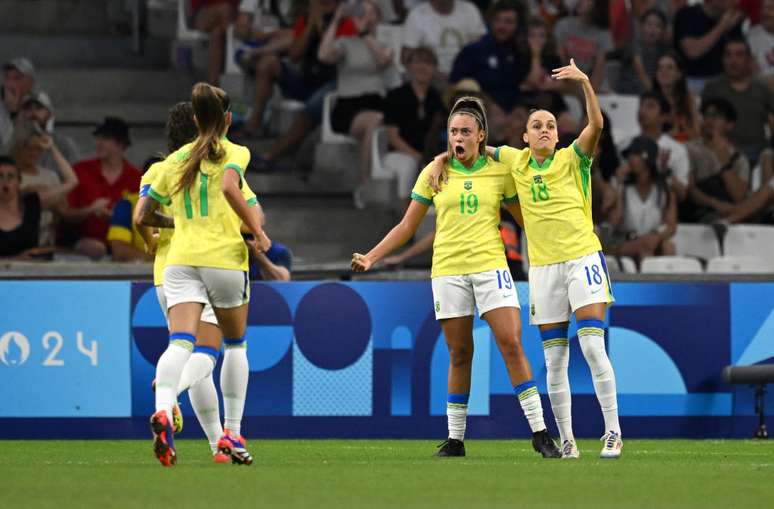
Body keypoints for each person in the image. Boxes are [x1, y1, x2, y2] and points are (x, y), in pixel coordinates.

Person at [430, 59, 623, 459]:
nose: (545, 130)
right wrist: (439, 159)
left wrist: (585, 82)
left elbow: (597, 126)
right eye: (537, 125)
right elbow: (468, 147)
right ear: (524, 136)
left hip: (582, 257)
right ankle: (567, 441)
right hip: (544, 268)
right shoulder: (513, 161)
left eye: (551, 125)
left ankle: (612, 432)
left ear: (558, 133)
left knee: (591, 348)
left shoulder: (574, 159)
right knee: (554, 358)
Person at [352, 96, 561, 459]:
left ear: (481, 135)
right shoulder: (435, 173)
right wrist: (372, 256)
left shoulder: (499, 170)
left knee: (511, 343)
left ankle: (540, 433)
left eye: (465, 131)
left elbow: (523, 219)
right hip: (448, 270)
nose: (457, 138)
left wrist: (557, 239)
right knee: (460, 352)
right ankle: (455, 439)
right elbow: (407, 226)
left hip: (491, 267)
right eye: (452, 132)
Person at [137, 83, 271, 467]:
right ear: (227, 119)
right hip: (223, 261)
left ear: (196, 120)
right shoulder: (233, 152)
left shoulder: (172, 161)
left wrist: (166, 228)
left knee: (179, 343)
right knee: (231, 347)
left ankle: (164, 407)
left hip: (177, 263)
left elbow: (142, 215)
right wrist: (257, 232)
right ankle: (231, 433)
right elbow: (234, 189)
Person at [242, 0, 356, 139]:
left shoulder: (346, 20)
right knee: (268, 63)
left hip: (329, 83)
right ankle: (255, 123)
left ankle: (274, 154)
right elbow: (295, 55)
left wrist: (320, 26)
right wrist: (311, 26)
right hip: (305, 78)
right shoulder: (307, 18)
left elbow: (328, 55)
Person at [318, 0, 393, 208]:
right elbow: (324, 55)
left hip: (377, 101)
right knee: (374, 121)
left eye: (371, 15)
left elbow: (383, 60)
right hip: (350, 105)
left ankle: (366, 183)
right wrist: (337, 19)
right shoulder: (345, 43)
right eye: (362, 14)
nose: (366, 19)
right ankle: (363, 184)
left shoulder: (384, 43)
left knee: (379, 118)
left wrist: (365, 35)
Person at [449, 0, 531, 142]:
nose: (502, 26)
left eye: (508, 22)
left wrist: (520, 107)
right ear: (490, 22)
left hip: (514, 111)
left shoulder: (521, 53)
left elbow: (526, 86)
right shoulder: (472, 51)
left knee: (524, 125)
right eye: (498, 20)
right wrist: (487, 105)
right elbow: (455, 87)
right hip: (482, 111)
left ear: (518, 25)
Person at [63, 117, 141, 260]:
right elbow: (66, 214)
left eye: (105, 138)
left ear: (120, 143)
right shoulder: (80, 171)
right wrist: (90, 210)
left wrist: (117, 217)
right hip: (84, 244)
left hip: (124, 245)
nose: (98, 143)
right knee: (95, 248)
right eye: (98, 138)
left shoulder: (137, 177)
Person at [382, 47, 444, 211]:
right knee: (408, 165)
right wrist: (416, 156)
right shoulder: (396, 96)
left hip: (428, 154)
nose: (422, 67)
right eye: (417, 62)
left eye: (428, 63)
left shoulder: (436, 98)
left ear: (434, 69)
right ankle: (405, 218)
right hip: (398, 153)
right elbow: (392, 136)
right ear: (408, 66)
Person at [702, 38, 774, 166]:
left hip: (758, 153)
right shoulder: (712, 88)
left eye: (739, 55)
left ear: (749, 60)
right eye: (728, 55)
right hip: (722, 152)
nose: (733, 61)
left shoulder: (763, 88)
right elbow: (703, 124)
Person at [9, 119, 79, 247]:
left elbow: (72, 182)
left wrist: (52, 147)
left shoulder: (50, 176)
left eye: (38, 149)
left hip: (45, 242)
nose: (34, 153)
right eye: (29, 148)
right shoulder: (8, 175)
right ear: (19, 147)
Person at [607, 135, 677, 264]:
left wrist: (657, 236)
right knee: (643, 248)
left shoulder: (664, 189)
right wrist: (618, 185)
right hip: (625, 241)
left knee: (668, 247)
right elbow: (614, 222)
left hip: (652, 240)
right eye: (630, 155)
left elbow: (671, 226)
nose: (631, 159)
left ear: (647, 158)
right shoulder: (622, 187)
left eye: (636, 154)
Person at [684, 98, 751, 223]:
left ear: (730, 125)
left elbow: (739, 197)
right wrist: (716, 204)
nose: (710, 120)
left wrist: (724, 159)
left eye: (717, 116)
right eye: (707, 115)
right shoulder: (689, 149)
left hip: (730, 214)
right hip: (698, 211)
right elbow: (690, 190)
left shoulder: (739, 159)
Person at [0, 155, 76, 259]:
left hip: (32, 272)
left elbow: (72, 181)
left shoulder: (32, 203)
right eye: (0, 176)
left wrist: (51, 147)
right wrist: (16, 258)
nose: (5, 181)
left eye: (10, 176)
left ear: (18, 182)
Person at [672, 0, 744, 93]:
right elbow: (693, 51)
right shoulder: (686, 14)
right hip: (691, 81)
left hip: (722, 79)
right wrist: (722, 27)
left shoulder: (732, 19)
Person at [401, 0, 487, 78]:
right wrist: (436, 75)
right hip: (431, 80)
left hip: (467, 77)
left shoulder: (470, 10)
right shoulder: (416, 15)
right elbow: (407, 57)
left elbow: (482, 50)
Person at [553, 0, 613, 91]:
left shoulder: (604, 34)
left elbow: (599, 70)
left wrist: (590, 92)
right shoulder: (563, 26)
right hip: (567, 82)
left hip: (592, 84)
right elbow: (559, 62)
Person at [19, 91, 80, 175]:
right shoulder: (15, 142)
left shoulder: (64, 143)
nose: (33, 113)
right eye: (28, 109)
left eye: (39, 108)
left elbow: (75, 174)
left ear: (49, 114)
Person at [190, 0, 240, 85]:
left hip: (231, 15)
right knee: (225, 9)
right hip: (203, 13)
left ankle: (213, 83)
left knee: (217, 34)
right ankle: (235, 52)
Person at [653, 51, 700, 142]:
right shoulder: (650, 100)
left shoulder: (688, 99)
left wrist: (682, 128)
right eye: (660, 67)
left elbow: (696, 133)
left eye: (669, 68)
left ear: (679, 74)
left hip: (685, 145)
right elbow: (648, 135)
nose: (663, 71)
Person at [1, 58, 36, 153]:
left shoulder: (37, 108)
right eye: (7, 78)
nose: (10, 84)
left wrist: (15, 112)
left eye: (17, 79)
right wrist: (13, 112)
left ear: (30, 83)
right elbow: (6, 149)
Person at [747, 0, 774, 86]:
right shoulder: (752, 35)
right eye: (762, 9)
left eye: (770, 8)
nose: (765, 12)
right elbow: (754, 76)